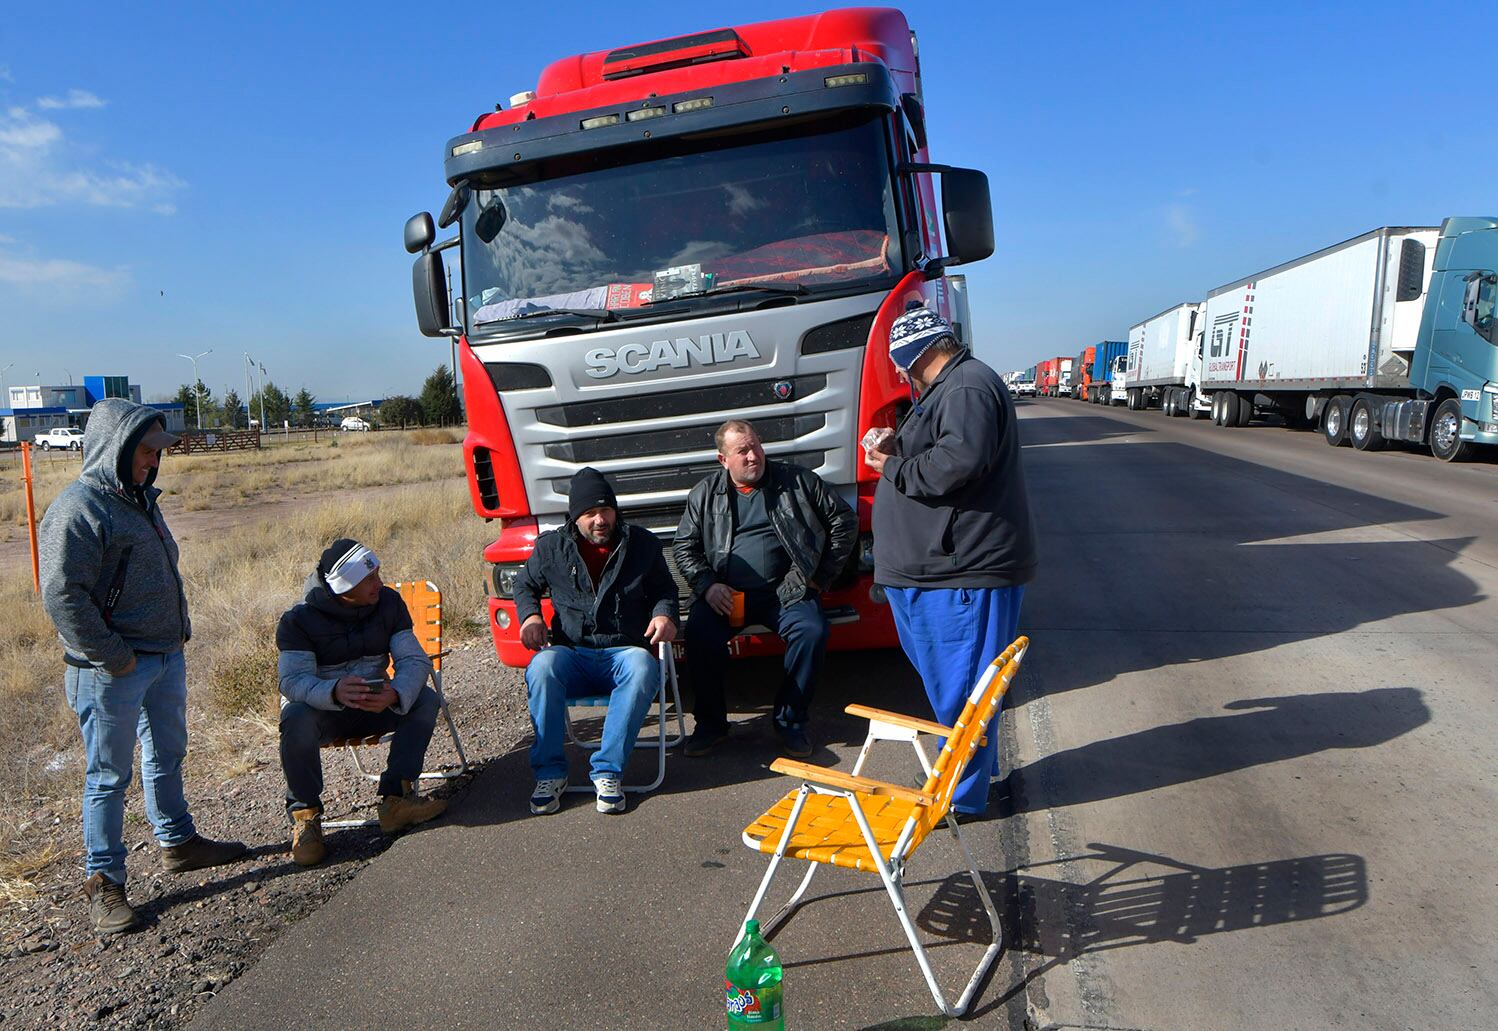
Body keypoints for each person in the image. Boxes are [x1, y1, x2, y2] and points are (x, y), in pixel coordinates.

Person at [38, 398, 248, 936]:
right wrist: (116, 655)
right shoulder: (79, 508)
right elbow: (63, 596)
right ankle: (104, 882)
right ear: (117, 446)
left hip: (163, 657)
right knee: (108, 777)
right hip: (111, 671)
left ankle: (177, 842)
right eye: (146, 451)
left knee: (168, 753)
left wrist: (170, 641)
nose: (153, 462)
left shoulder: (140, 500)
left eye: (158, 453)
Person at [863, 304, 1038, 818]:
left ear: (915, 355)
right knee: (960, 688)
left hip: (960, 572)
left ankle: (960, 798)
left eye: (899, 363)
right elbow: (950, 453)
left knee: (961, 694)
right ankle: (971, 779)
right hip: (945, 570)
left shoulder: (965, 387)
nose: (898, 374)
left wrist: (893, 464)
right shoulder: (953, 388)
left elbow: (956, 464)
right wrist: (901, 448)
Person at [674, 420, 857, 758]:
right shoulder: (704, 493)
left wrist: (819, 576)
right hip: (729, 595)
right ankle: (712, 725)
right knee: (699, 634)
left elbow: (844, 521)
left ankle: (790, 721)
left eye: (756, 445)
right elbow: (684, 547)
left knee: (812, 631)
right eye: (742, 451)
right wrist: (707, 584)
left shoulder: (797, 481)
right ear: (722, 459)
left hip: (787, 590)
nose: (753, 455)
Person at [514, 468, 678, 815]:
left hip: (624, 651)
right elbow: (524, 585)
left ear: (616, 511)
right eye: (590, 514)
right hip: (572, 654)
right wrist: (531, 617)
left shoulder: (642, 544)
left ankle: (608, 773)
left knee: (642, 665)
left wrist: (664, 615)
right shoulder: (551, 547)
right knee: (542, 666)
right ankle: (551, 774)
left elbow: (665, 589)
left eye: (605, 511)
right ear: (576, 518)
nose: (600, 520)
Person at [276, 539, 449, 865]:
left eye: (378, 574)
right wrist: (333, 691)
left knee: (424, 699)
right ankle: (306, 817)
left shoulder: (388, 604)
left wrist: (396, 692)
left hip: (376, 705)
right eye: (369, 579)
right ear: (345, 586)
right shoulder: (297, 621)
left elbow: (413, 660)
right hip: (325, 712)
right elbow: (291, 682)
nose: (379, 583)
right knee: (295, 716)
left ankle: (396, 799)